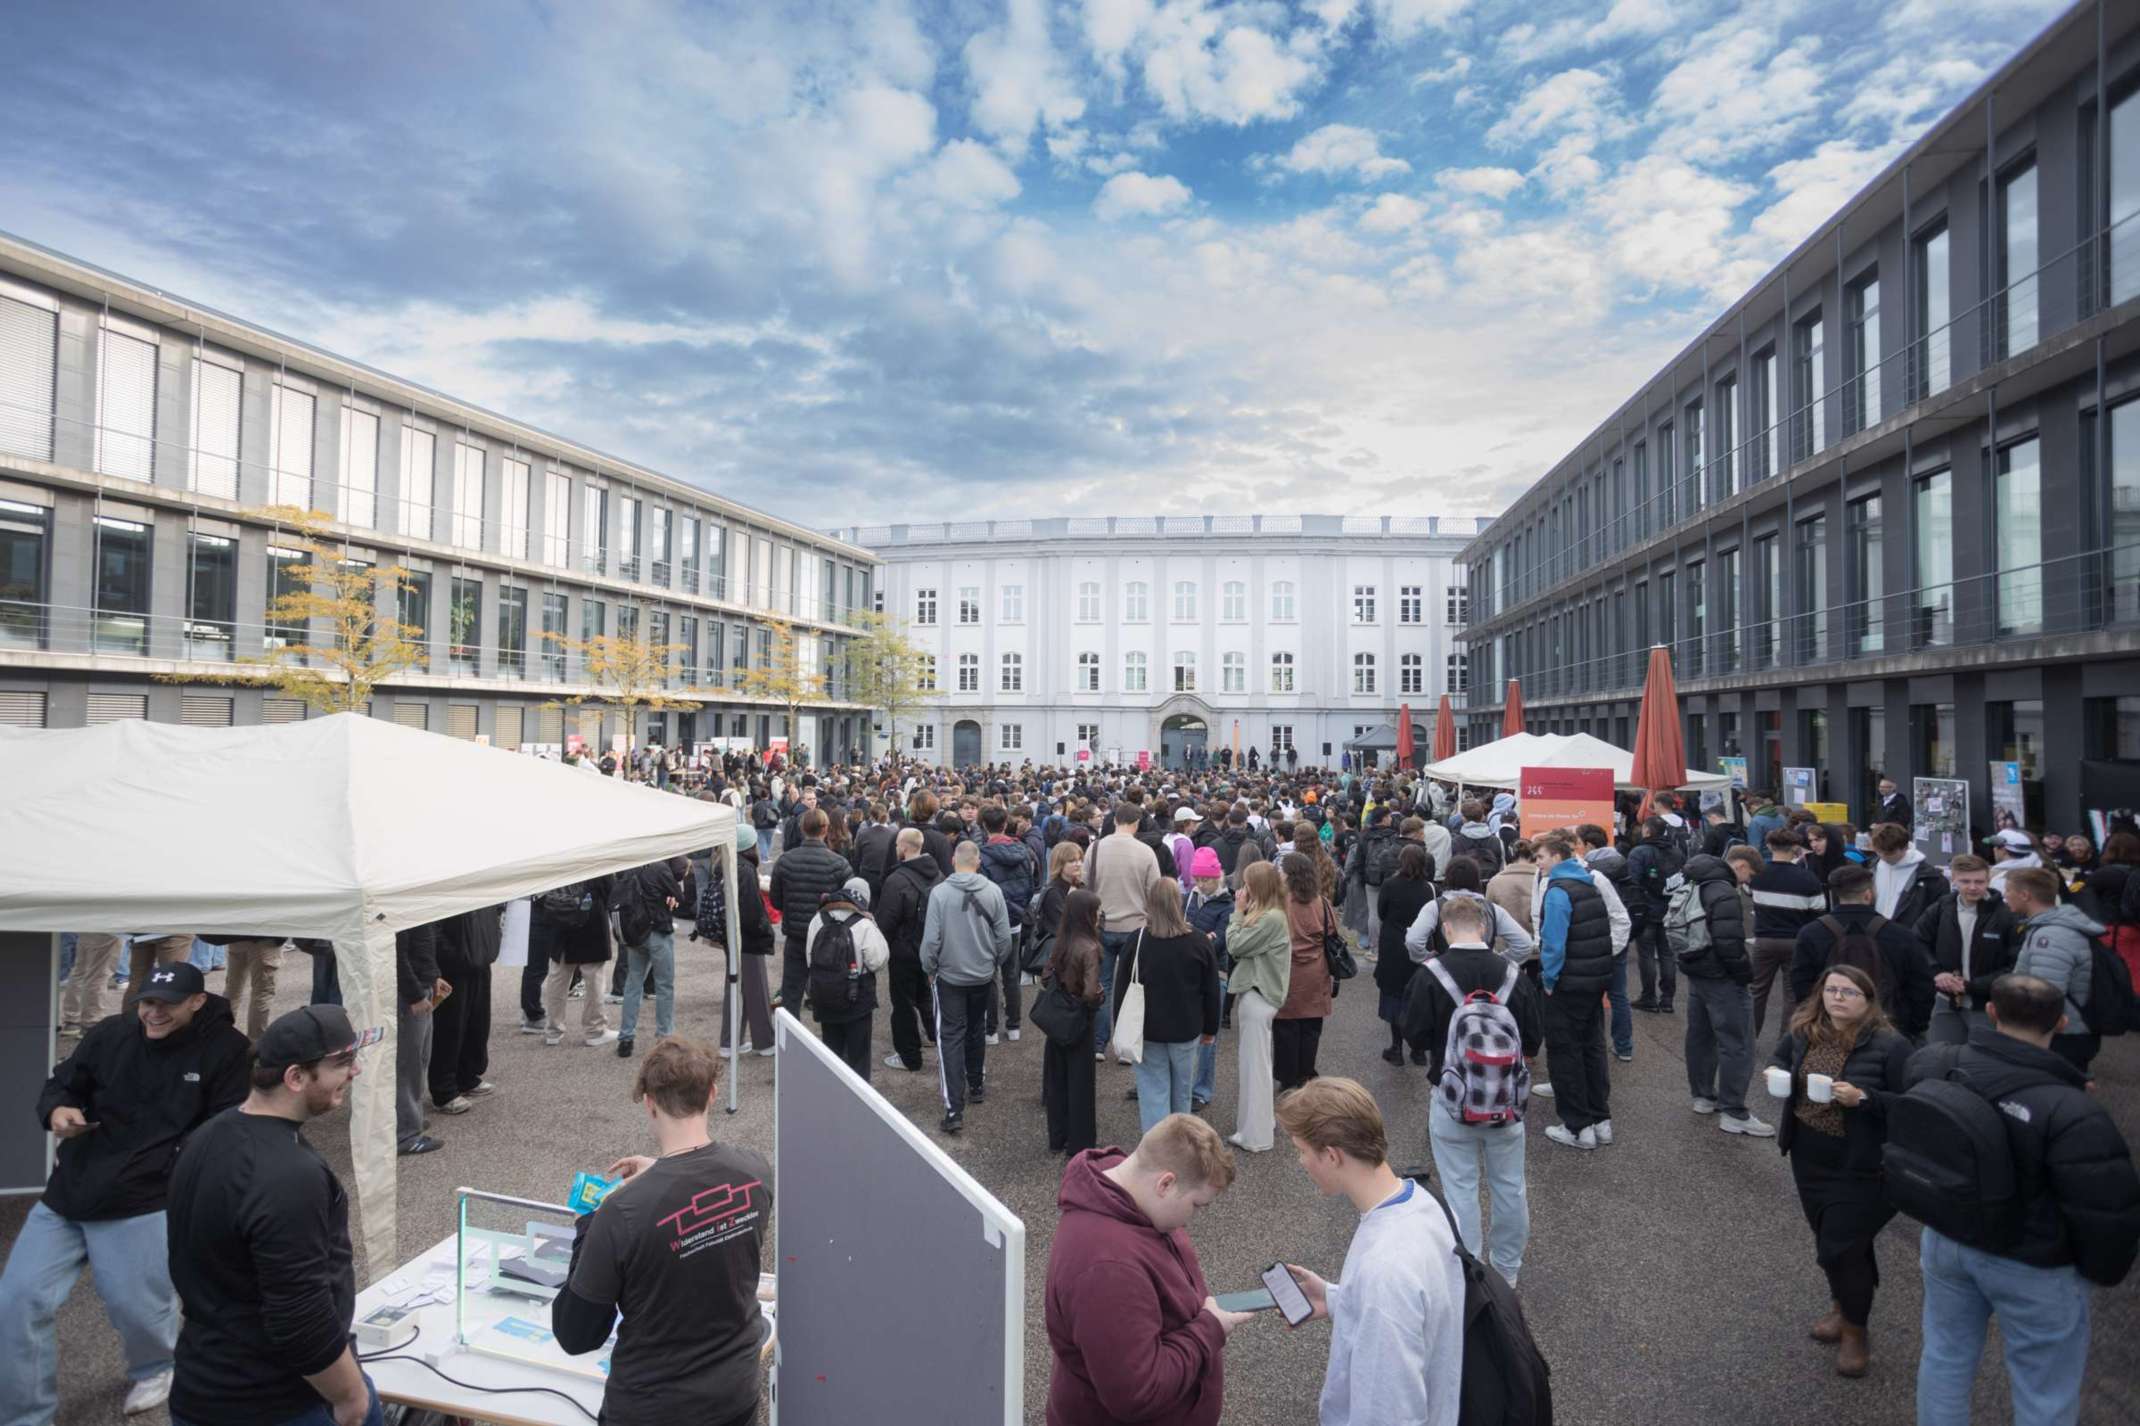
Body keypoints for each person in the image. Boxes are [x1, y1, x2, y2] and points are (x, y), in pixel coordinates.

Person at [0, 963, 248, 1422]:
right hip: (70, 1192)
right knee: (15, 1301)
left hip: (144, 1197)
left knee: (138, 1308)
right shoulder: (110, 1034)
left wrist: (173, 1177)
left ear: (197, 1001)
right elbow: (61, 1084)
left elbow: (225, 1128)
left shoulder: (228, 1050)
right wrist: (58, 1110)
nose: (153, 1013)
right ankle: (24, 1416)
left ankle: (156, 1367)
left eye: (166, 1005)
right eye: (146, 1002)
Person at [1907, 975, 2140, 1426]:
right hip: (2035, 1263)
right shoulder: (2073, 1109)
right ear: (2062, 1022)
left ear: (1991, 1012)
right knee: (2044, 1391)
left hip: (1947, 1239)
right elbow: (2106, 1211)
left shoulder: (1935, 1062)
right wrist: (2097, 1272)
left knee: (1945, 1357)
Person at [165, 1005, 387, 1426]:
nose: (355, 1071)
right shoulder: (289, 1175)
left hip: (204, 1383)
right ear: (296, 1078)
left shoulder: (205, 1137)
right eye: (342, 1062)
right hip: (280, 1402)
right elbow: (300, 1316)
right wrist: (351, 1397)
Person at [553, 1038, 771, 1426]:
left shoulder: (621, 1213)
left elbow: (576, 1334)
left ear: (650, 1104)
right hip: (734, 1394)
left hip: (653, 1407)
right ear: (712, 1093)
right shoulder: (755, 1172)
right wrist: (662, 1169)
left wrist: (588, 1223)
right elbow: (703, 1192)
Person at [1276, 1078, 1463, 1426]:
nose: (1301, 1162)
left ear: (1331, 1156)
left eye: (1302, 1151)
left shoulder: (1384, 1270)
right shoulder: (1428, 1202)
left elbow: (1390, 1412)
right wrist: (1336, 1299)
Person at [1043, 1115, 1245, 1426]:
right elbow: (1138, 1394)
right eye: (1196, 1205)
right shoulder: (1108, 1270)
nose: (1193, 1219)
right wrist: (1209, 1329)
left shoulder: (1133, 1193)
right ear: (1165, 1183)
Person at [1768, 965, 1917, 1377]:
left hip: (1863, 1164)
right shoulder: (1804, 1031)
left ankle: (1855, 1332)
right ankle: (1841, 1306)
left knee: (1839, 1246)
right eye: (1831, 990)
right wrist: (1774, 1073)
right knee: (1835, 1239)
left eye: (1848, 992)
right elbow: (1779, 1059)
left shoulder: (1891, 1046)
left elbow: (1912, 1105)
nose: (1837, 998)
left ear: (1867, 1001)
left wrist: (1864, 1098)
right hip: (1808, 1156)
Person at [1402, 894, 1542, 1285]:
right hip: (1506, 1101)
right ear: (1484, 926)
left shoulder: (1432, 974)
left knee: (1460, 1186)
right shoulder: (1513, 973)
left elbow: (1414, 1033)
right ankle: (1507, 1271)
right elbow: (1533, 1037)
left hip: (1451, 1100)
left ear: (1445, 929)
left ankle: (1469, 1271)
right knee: (1510, 1186)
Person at [1677, 846, 1774, 1137]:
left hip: (1695, 968)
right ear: (1741, 865)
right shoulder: (1724, 891)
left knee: (1700, 1036)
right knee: (1737, 1043)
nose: (1746, 883)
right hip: (1721, 976)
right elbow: (1729, 943)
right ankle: (1734, 1111)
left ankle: (1703, 1096)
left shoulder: (1695, 880)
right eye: (1749, 876)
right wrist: (1745, 974)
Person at [919, 840, 1014, 1135]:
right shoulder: (994, 891)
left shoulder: (940, 893)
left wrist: (930, 968)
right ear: (978, 862)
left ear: (952, 860)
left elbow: (931, 940)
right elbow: (1004, 939)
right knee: (976, 1028)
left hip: (950, 976)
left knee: (950, 1036)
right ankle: (976, 1083)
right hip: (982, 974)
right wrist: (993, 963)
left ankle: (953, 1108)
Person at [1116, 879, 1222, 1132]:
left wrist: (1120, 1024)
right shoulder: (1199, 941)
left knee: (1153, 1091)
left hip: (1148, 1029)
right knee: (1182, 1091)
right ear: (1179, 902)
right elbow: (1211, 991)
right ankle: (1179, 1144)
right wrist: (1210, 1029)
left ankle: (1156, 1150)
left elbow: (1122, 989)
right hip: (1186, 1029)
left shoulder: (1137, 940)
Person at [1533, 832, 1617, 1150]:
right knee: (1592, 1049)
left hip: (1567, 984)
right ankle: (1601, 1120)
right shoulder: (1589, 884)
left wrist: (1550, 981)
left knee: (1564, 1053)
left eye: (1540, 857)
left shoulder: (1557, 891)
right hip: (1594, 982)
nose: (1538, 863)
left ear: (1556, 857)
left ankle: (1577, 1126)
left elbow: (1553, 944)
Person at [1791, 865, 1936, 1043]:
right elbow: (1921, 987)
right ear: (1868, 894)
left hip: (1830, 1030)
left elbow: (1801, 985)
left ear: (1836, 894)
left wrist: (1817, 1021)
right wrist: (1912, 1027)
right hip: (1889, 1031)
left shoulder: (1811, 933)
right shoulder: (1900, 934)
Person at [2003, 867, 2103, 1075]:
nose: (2005, 896)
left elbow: (2044, 994)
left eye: (2008, 890)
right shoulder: (2048, 927)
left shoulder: (2051, 936)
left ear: (2025, 895)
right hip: (2062, 1030)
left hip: (2059, 1035)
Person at [1911, 853, 2018, 1047]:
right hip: (1945, 1000)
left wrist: (1972, 986)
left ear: (1989, 880)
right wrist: (1936, 972)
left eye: (1979, 881)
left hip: (1986, 1004)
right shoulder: (1942, 907)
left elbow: (2015, 966)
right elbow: (1916, 942)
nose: (1972, 887)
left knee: (1983, 1062)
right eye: (1965, 881)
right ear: (1953, 880)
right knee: (1940, 1056)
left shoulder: (2006, 916)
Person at [1224, 860, 1291, 1154]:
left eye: (1248, 883)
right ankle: (1260, 1125)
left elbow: (1235, 945)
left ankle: (1255, 1135)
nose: (1243, 888)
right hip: (1260, 994)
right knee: (1258, 1065)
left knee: (1255, 1067)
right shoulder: (1272, 914)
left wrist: (1237, 914)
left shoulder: (1270, 918)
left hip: (1258, 994)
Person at [1088, 801, 1162, 1059]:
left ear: (1115, 820)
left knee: (1102, 985)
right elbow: (1155, 891)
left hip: (1102, 924)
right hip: (1136, 927)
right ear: (1137, 822)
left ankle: (1098, 1044)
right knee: (1133, 988)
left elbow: (1087, 885)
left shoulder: (1094, 848)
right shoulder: (1145, 852)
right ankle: (1126, 1046)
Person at [769, 808, 853, 1015]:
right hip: (828, 937)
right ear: (825, 829)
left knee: (791, 992)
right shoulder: (839, 864)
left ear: (802, 828)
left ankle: (790, 1041)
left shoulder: (786, 861)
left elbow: (776, 901)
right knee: (829, 991)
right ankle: (830, 1043)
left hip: (797, 935)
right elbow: (849, 902)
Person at [1747, 828, 1829, 1040]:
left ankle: (1748, 1038)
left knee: (1757, 991)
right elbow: (1819, 913)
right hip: (1796, 941)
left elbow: (1750, 895)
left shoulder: (1757, 876)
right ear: (1795, 848)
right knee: (1792, 995)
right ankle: (1786, 1043)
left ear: (1769, 846)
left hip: (1764, 940)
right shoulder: (1808, 879)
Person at [806, 877, 891, 1080]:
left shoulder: (819, 918)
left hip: (824, 995)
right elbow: (877, 961)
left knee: (831, 1051)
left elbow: (809, 957)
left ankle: (832, 1093)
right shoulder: (864, 923)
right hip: (857, 999)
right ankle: (859, 1101)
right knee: (858, 1055)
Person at [876, 827, 944, 1073]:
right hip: (931, 948)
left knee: (903, 1004)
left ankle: (909, 1057)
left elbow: (886, 921)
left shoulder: (896, 880)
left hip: (904, 951)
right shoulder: (939, 874)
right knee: (927, 996)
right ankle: (939, 1040)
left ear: (903, 847)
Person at [1044, 889, 1106, 1156]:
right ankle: (1080, 1142)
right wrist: (1099, 997)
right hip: (1080, 1022)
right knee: (1080, 1084)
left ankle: (1057, 1137)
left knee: (1057, 1082)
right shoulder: (1090, 947)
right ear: (1088, 915)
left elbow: (1046, 977)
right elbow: (1091, 992)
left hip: (1057, 1021)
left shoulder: (1062, 942)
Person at [712, 820, 778, 1058]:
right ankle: (764, 1041)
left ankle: (731, 1041)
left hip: (732, 935)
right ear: (750, 846)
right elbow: (751, 912)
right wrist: (765, 930)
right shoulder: (746, 870)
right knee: (756, 989)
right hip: (747, 938)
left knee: (736, 987)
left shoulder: (726, 865)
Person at [428, 905, 502, 1110]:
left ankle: (467, 1076)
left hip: (478, 959)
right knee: (450, 1027)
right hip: (453, 966)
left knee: (477, 1023)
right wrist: (451, 955)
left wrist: (490, 944)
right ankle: (444, 1089)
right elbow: (432, 926)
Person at [1575, 824, 1638, 1063]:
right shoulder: (1622, 862)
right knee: (1619, 995)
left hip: (1595, 940)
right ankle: (1624, 1046)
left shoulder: (1591, 870)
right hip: (1618, 938)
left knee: (1589, 997)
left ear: (1588, 845)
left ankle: (1593, 1048)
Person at [537, 874, 620, 1051]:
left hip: (562, 918)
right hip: (591, 921)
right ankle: (595, 1030)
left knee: (558, 976)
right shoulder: (598, 856)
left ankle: (553, 1029)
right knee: (593, 978)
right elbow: (611, 893)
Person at [1276, 851, 1336, 1093]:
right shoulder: (1321, 902)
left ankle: (1287, 1076)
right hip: (1315, 970)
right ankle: (1306, 1072)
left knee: (1286, 1026)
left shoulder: (1280, 902)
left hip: (1287, 969)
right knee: (1311, 1026)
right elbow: (1331, 931)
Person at [978, 805, 1037, 1046]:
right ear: (1005, 824)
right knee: (1011, 974)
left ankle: (990, 1030)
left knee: (989, 975)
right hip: (1014, 920)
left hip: (990, 921)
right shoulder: (1023, 851)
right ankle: (1014, 1026)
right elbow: (1032, 885)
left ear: (984, 826)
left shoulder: (982, 855)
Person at [1374, 844, 1436, 1066]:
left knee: (1394, 994)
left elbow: (1382, 911)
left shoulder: (1390, 884)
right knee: (1416, 995)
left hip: (1393, 942)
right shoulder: (1428, 888)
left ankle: (1397, 1047)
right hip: (1420, 943)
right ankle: (1418, 1049)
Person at [615, 857, 683, 1059]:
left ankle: (626, 1037)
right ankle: (664, 1036)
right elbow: (679, 894)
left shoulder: (627, 867)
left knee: (633, 983)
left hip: (635, 933)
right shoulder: (659, 868)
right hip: (657, 931)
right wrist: (669, 896)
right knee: (664, 985)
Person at [393, 920, 450, 1154]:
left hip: (422, 984)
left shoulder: (416, 906)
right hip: (410, 993)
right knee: (409, 1063)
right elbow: (398, 956)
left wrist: (433, 976)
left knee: (420, 1058)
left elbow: (424, 944)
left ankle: (410, 1118)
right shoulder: (401, 908)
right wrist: (414, 994)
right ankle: (405, 1133)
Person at [1183, 848, 1232, 1107]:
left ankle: (1201, 1090)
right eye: (1198, 879)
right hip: (1187, 971)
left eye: (1206, 880)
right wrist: (1204, 938)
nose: (1201, 884)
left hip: (1215, 974)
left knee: (1208, 1037)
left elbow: (1221, 942)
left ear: (1217, 877)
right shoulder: (1190, 897)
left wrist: (1195, 939)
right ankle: (1182, 1085)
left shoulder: (1227, 904)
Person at [1628, 814, 1686, 1013]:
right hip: (1670, 908)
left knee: (1646, 955)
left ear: (1647, 830)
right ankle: (1668, 999)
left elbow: (1632, 882)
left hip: (1646, 910)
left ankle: (1649, 997)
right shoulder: (1677, 852)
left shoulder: (1639, 852)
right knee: (1667, 954)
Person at [1870, 823, 1945, 929]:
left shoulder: (1931, 878)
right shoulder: (1871, 869)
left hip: (1909, 938)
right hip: (1875, 934)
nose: (1883, 857)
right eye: (1879, 852)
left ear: (1905, 847)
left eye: (1889, 854)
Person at [1985, 828, 2044, 898]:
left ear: (2003, 850)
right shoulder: (2040, 869)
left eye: (1995, 846)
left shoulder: (2002, 880)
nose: (1994, 849)